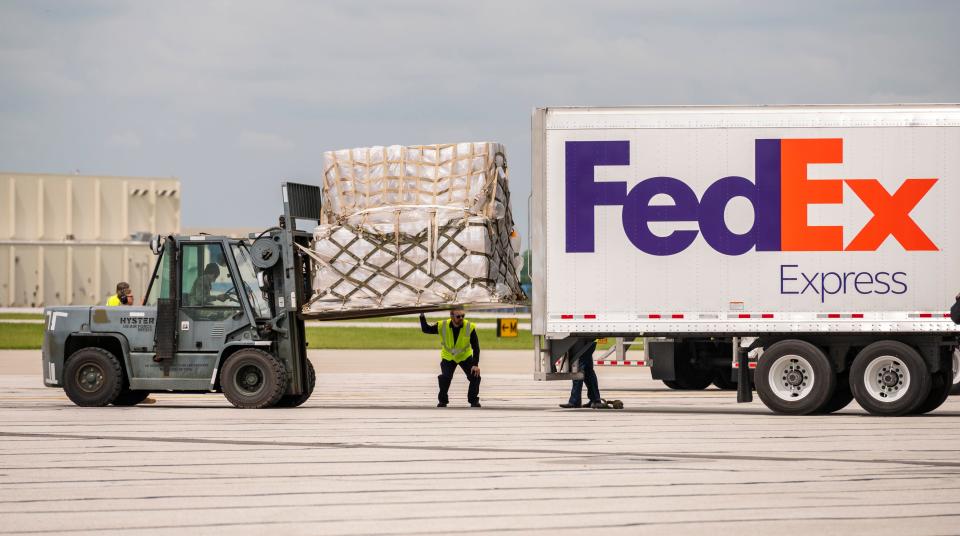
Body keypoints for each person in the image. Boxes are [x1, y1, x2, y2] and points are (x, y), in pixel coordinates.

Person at [420, 308, 481, 407]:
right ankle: (443, 401)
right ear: (452, 317)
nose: (461, 318)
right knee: (445, 377)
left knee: (475, 376)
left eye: (463, 316)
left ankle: (473, 400)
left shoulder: (469, 327)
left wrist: (475, 364)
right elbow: (426, 329)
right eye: (458, 316)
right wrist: (422, 315)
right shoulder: (442, 325)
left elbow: (476, 347)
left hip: (464, 356)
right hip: (448, 356)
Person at [559, 339, 604, 409]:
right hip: (589, 340)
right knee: (588, 371)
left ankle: (575, 401)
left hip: (583, 341)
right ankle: (595, 400)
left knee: (578, 368)